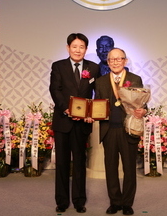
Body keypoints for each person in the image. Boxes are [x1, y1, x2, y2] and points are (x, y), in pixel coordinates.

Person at [49, 33, 99, 213]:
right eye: (74, 46)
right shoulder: (58, 66)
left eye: (82, 47)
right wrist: (66, 109)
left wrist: (92, 112)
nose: (78, 50)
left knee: (79, 162)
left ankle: (79, 200)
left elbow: (97, 93)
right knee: (62, 163)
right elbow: (55, 90)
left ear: (86, 49)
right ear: (68, 48)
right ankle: (62, 201)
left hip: (82, 123)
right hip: (63, 121)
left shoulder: (93, 68)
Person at [94, 48, 147, 215]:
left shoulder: (134, 79)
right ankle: (115, 202)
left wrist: (143, 111)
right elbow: (97, 105)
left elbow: (143, 102)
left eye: (119, 59)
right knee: (110, 168)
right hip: (108, 130)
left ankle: (127, 203)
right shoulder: (101, 81)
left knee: (130, 168)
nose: (116, 62)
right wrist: (90, 114)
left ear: (125, 61)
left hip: (128, 129)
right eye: (112, 59)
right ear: (107, 62)